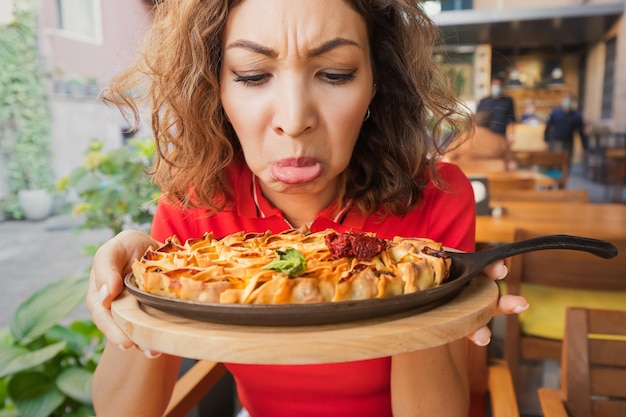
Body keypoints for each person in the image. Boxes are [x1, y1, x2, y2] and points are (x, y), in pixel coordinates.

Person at [87, 1, 529, 416]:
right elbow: (123, 410)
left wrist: (426, 294)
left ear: (376, 81)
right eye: (252, 75)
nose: (295, 119)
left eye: (335, 73)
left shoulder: (437, 195)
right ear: (214, 84)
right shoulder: (195, 209)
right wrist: (134, 287)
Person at [444, 110, 517, 171]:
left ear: (473, 123)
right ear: (491, 124)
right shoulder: (500, 141)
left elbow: (446, 158)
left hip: (467, 180)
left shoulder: (462, 138)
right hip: (494, 184)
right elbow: (512, 165)